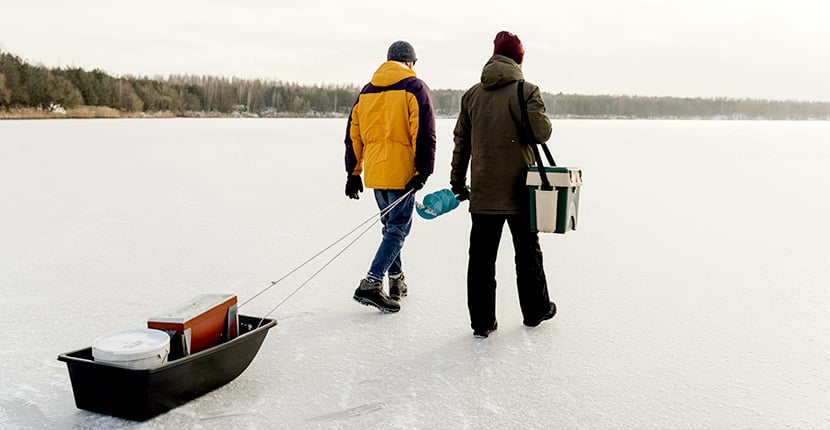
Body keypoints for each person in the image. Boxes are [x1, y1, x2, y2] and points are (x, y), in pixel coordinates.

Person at [450, 31, 556, 338]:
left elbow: (461, 143)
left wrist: (457, 180)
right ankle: (535, 311)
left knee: (481, 260)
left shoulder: (471, 95)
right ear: (519, 59)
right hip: (521, 189)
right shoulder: (527, 90)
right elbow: (542, 133)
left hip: (483, 191)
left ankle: (482, 322)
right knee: (527, 252)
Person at [344, 40, 436, 313]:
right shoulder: (414, 88)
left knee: (390, 229)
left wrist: (353, 173)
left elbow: (353, 135)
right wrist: (423, 171)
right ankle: (371, 283)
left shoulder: (367, 91)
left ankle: (396, 281)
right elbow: (424, 132)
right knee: (397, 230)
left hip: (376, 173)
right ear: (408, 62)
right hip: (402, 174)